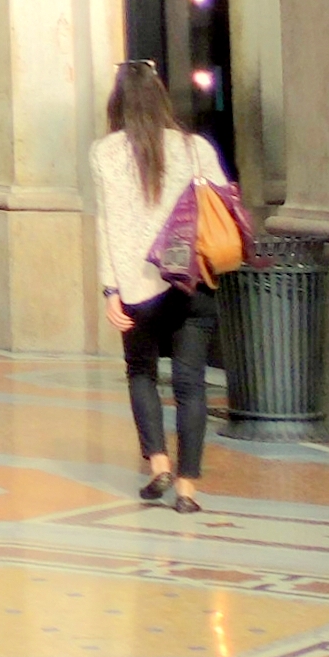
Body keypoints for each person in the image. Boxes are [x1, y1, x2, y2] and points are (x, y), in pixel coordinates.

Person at [92, 58, 233, 513]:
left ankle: (158, 464)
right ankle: (188, 491)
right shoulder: (196, 148)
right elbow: (223, 201)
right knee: (192, 386)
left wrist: (111, 288)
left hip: (137, 287)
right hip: (192, 281)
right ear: (162, 97)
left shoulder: (106, 153)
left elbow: (106, 225)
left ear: (118, 102)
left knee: (141, 372)